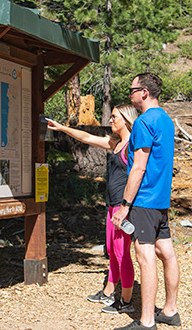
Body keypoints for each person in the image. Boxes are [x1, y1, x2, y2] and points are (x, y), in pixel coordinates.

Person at [46, 104, 138, 314]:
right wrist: (62, 128)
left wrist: (127, 206)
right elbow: (86, 138)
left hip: (123, 208)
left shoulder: (132, 145)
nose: (111, 120)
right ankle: (108, 293)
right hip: (112, 205)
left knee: (123, 254)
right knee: (112, 252)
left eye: (114, 117)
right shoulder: (115, 142)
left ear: (126, 119)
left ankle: (126, 302)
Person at [112, 73, 180, 330]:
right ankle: (170, 310)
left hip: (144, 200)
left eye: (132, 90)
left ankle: (147, 321)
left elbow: (138, 168)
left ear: (144, 92)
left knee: (145, 256)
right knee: (167, 253)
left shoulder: (143, 122)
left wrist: (124, 205)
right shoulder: (166, 119)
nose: (129, 95)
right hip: (161, 201)